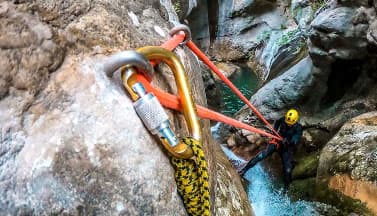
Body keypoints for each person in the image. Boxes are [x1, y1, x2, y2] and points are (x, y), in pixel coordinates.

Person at [239, 109, 303, 189]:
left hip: (286, 147)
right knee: (260, 156)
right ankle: (244, 170)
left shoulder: (298, 128)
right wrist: (274, 131)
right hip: (277, 142)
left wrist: (288, 140)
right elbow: (277, 122)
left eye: (290, 124)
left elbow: (295, 139)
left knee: (287, 170)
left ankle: (286, 189)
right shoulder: (284, 119)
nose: (288, 124)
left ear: (295, 121)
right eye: (287, 122)